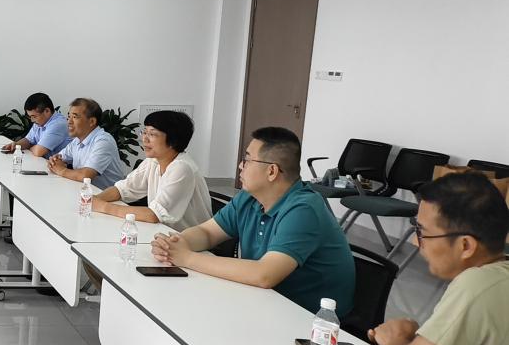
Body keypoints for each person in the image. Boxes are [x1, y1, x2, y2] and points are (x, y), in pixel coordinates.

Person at [151, 126, 354, 315]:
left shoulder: (303, 209)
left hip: (309, 321)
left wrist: (187, 258)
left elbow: (265, 274)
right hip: (263, 302)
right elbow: (208, 232)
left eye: (247, 160)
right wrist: (177, 243)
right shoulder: (249, 198)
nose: (241, 166)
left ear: (272, 171)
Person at [369, 172, 509, 345]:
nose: (417, 242)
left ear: (465, 246)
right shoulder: (499, 276)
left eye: (423, 232)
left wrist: (396, 340)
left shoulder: (478, 285)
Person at [92, 109, 212, 230]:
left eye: (152, 134)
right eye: (144, 132)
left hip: (187, 237)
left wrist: (103, 207)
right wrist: (94, 200)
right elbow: (123, 189)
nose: (144, 139)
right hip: (162, 231)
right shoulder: (153, 161)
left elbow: (153, 215)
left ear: (173, 141)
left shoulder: (182, 168)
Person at [48, 97, 127, 189]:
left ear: (92, 121)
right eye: (69, 117)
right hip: (85, 191)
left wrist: (62, 170)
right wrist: (54, 161)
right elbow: (58, 159)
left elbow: (86, 176)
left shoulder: (103, 141)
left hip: (105, 195)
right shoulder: (77, 140)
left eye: (74, 117)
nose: (69, 122)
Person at [1, 92, 70, 159]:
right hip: (44, 161)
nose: (32, 120)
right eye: (30, 117)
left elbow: (38, 152)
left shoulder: (58, 124)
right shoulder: (40, 122)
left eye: (34, 116)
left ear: (47, 111)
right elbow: (28, 140)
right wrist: (16, 145)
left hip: (62, 165)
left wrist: (31, 147)